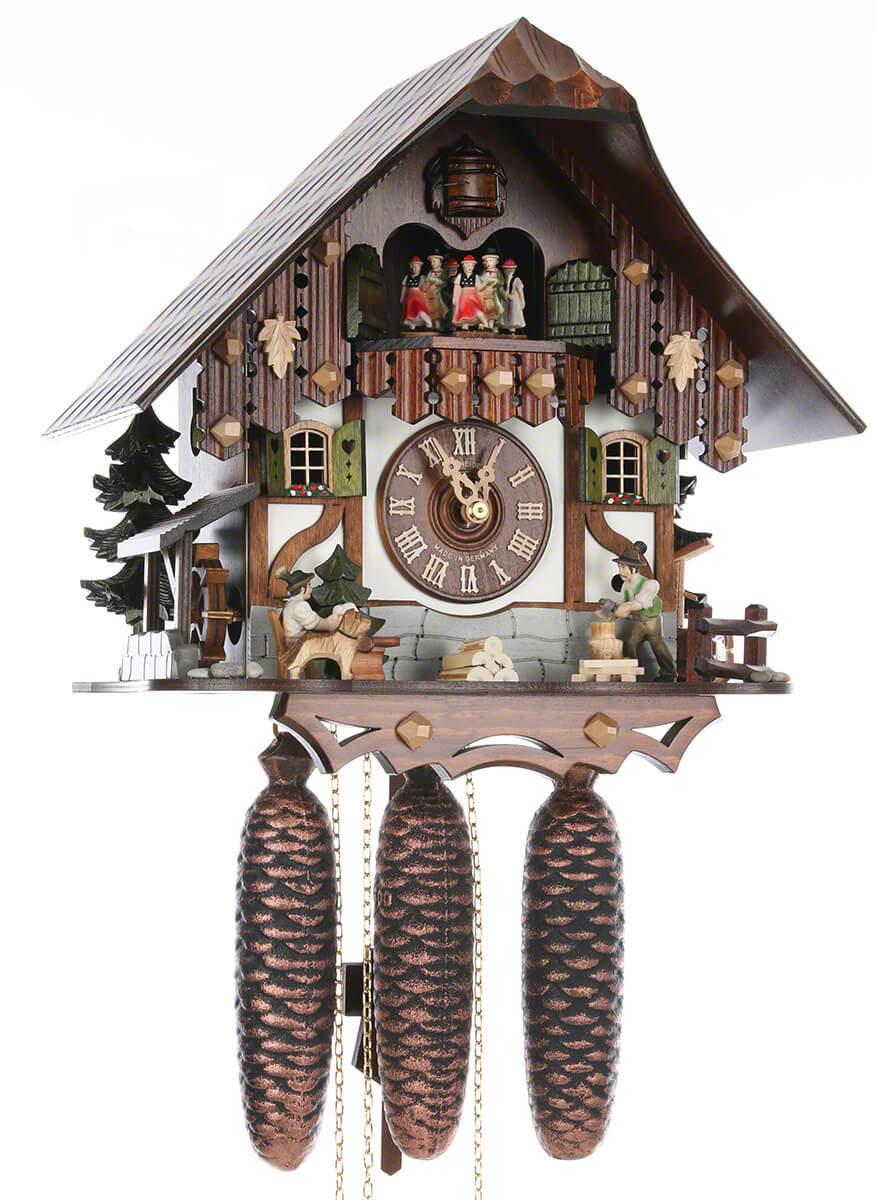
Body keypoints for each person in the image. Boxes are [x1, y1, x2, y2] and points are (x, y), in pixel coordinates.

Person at [607, 541, 676, 681]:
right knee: (630, 644)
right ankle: (633, 675)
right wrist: (613, 610)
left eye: (624, 567)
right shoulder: (626, 586)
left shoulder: (648, 584)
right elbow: (623, 605)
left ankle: (669, 675)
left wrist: (622, 609)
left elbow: (638, 603)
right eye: (620, 567)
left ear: (634, 568)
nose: (621, 572)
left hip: (651, 621)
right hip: (637, 622)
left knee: (657, 645)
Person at [277, 569, 356, 643]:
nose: (311, 589)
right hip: (299, 645)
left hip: (298, 641)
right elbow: (323, 626)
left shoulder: (290, 603)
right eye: (309, 585)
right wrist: (337, 614)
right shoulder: (299, 606)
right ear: (302, 589)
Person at [451, 254, 490, 329]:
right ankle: (465, 324)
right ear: (464, 265)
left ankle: (484, 323)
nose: (470, 267)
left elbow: (479, 288)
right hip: (464, 298)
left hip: (473, 297)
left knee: (477, 311)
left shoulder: (476, 277)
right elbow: (457, 287)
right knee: (464, 311)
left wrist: (485, 285)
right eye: (468, 265)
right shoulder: (460, 276)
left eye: (472, 265)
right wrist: (455, 297)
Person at [400, 256, 433, 330]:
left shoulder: (422, 277)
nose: (415, 268)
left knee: (419, 309)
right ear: (411, 267)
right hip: (410, 297)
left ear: (420, 267)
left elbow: (425, 288)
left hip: (418, 296)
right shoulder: (407, 277)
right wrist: (402, 298)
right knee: (410, 311)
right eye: (413, 266)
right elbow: (404, 288)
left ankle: (427, 321)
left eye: (417, 266)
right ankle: (413, 323)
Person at [501, 258, 526, 332]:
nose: (509, 271)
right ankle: (509, 329)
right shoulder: (503, 280)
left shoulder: (516, 280)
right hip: (506, 301)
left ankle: (512, 330)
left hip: (514, 301)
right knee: (507, 316)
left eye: (511, 269)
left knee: (514, 316)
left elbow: (520, 291)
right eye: (507, 269)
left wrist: (522, 301)